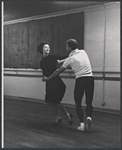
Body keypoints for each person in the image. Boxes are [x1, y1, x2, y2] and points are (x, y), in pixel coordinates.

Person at [43, 39, 94, 131]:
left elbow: (58, 72)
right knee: (89, 102)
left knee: (78, 102)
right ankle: (89, 117)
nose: (65, 47)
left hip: (80, 80)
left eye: (66, 46)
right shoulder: (83, 52)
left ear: (70, 47)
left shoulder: (70, 59)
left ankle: (82, 125)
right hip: (90, 79)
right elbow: (77, 62)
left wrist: (48, 78)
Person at [37, 42, 73, 126]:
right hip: (49, 82)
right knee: (50, 101)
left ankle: (67, 115)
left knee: (56, 101)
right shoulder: (42, 61)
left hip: (56, 81)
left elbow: (62, 58)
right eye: (46, 47)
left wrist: (72, 55)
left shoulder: (53, 57)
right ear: (41, 49)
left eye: (48, 47)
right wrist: (44, 78)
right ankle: (58, 117)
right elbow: (45, 71)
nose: (48, 49)